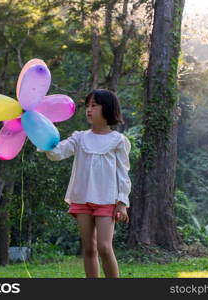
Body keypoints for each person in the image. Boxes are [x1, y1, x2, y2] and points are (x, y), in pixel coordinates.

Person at [38, 89, 131, 278]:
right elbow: (57, 153)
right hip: (81, 199)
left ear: (108, 109)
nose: (89, 110)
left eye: (94, 106)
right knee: (89, 248)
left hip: (107, 200)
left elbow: (123, 174)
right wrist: (40, 135)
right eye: (87, 106)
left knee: (104, 247)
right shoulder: (79, 137)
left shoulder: (118, 140)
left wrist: (122, 202)